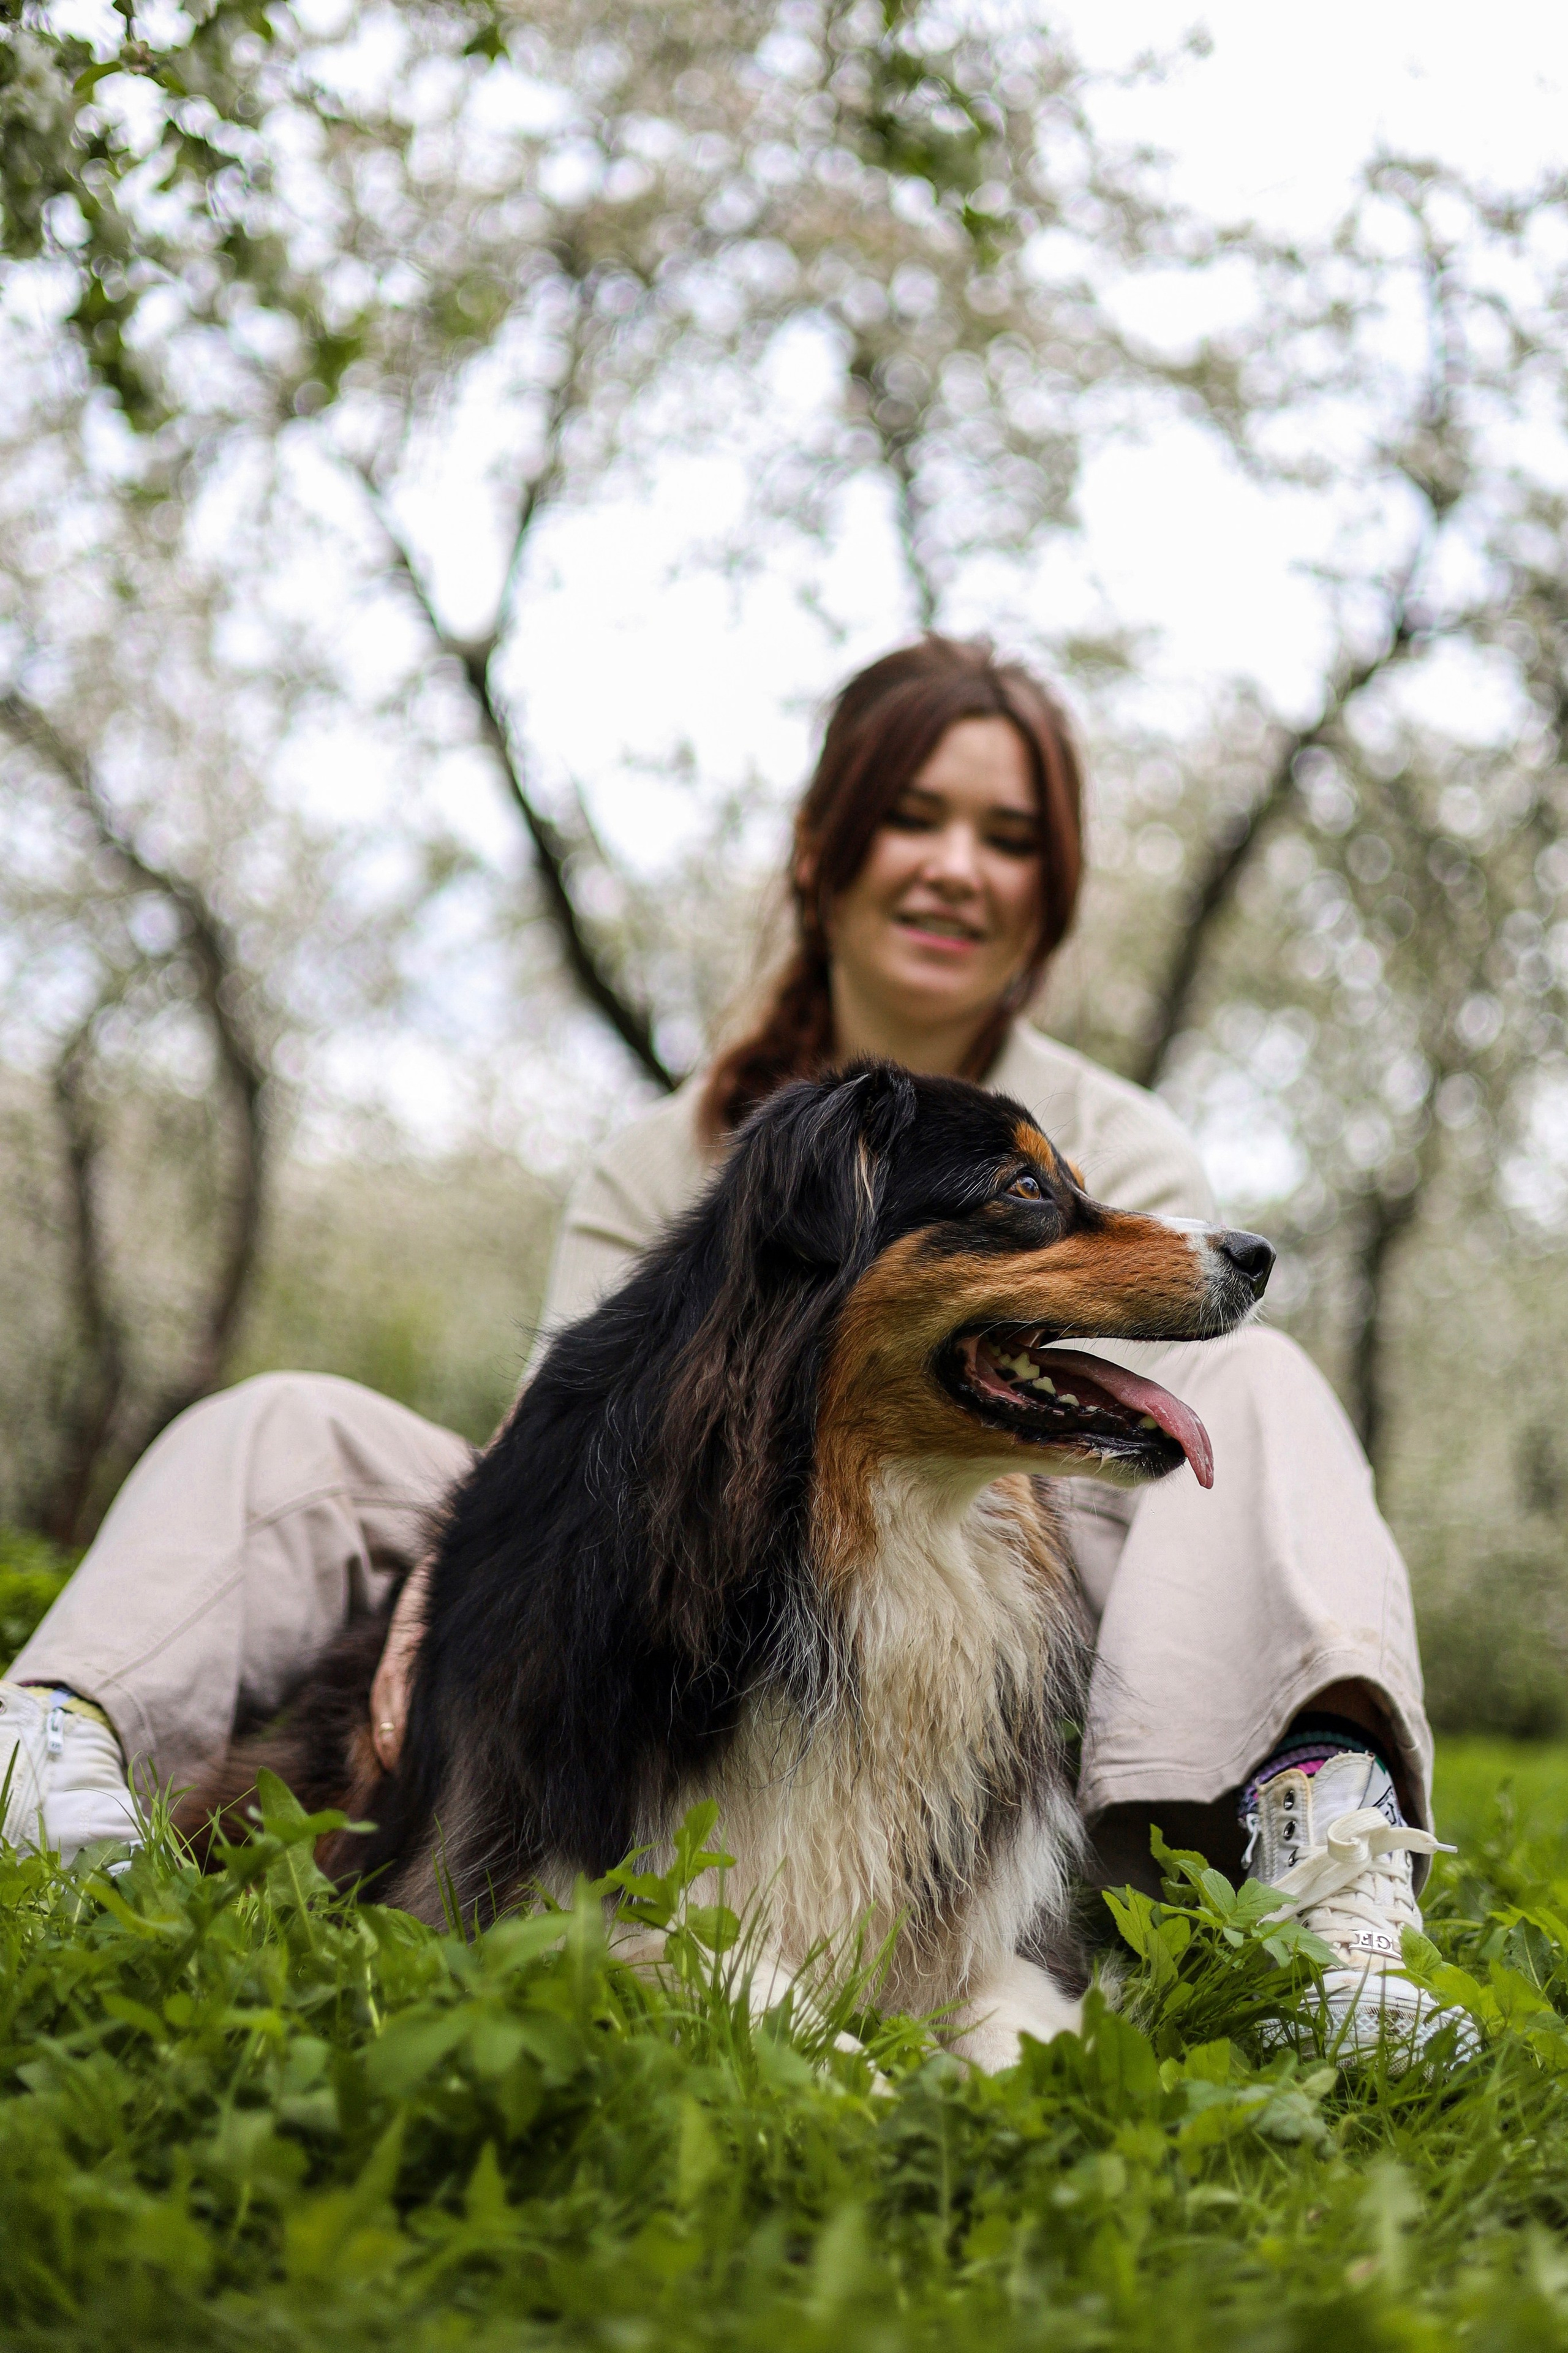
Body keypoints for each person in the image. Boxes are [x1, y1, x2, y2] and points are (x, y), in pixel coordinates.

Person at [2, 636, 1451, 2060]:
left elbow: (1111, 1384)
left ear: (1047, 895)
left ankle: (1326, 1884)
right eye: (911, 815)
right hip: (688, 1550)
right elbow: (559, 1443)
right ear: (823, 850)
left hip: (1010, 1546)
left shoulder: (1107, 1140)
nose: (955, 864)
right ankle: (57, 1745)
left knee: (1257, 1376)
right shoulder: (667, 1150)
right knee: (288, 1424)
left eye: (1007, 837)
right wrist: (444, 1592)